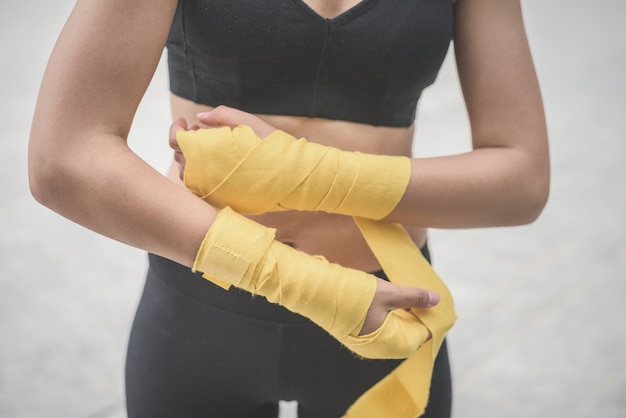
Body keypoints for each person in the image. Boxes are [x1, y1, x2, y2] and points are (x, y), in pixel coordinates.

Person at [28, 0, 549, 417]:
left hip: (389, 312)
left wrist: (297, 170)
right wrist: (317, 288)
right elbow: (64, 157)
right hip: (201, 313)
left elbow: (523, 178)